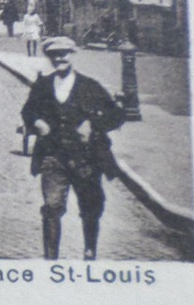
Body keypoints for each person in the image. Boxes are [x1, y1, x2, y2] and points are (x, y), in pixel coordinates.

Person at [21, 36, 124, 260]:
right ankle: (50, 258)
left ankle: (89, 251)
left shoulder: (90, 87)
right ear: (49, 58)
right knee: (51, 207)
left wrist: (93, 124)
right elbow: (28, 111)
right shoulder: (42, 86)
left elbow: (116, 115)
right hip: (52, 157)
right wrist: (36, 122)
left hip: (85, 159)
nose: (60, 59)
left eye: (64, 54)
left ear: (71, 55)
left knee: (90, 207)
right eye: (54, 55)